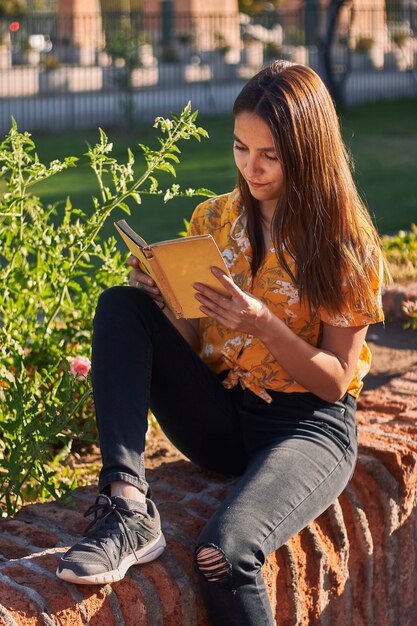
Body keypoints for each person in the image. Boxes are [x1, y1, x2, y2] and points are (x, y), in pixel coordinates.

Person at [56, 60, 387, 625]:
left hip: (307, 428)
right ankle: (128, 506)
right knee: (122, 306)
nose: (250, 168)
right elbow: (192, 336)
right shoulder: (216, 218)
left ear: (307, 151)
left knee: (223, 556)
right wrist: (166, 302)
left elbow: (334, 382)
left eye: (270, 156)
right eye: (240, 148)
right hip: (222, 414)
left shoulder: (343, 243)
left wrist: (264, 325)